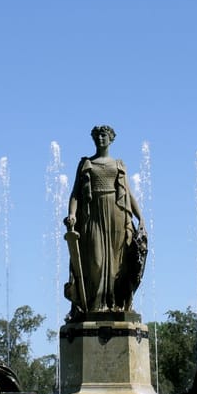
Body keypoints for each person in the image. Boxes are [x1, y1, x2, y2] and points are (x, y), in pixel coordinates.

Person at [63, 125, 146, 318]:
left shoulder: (118, 164)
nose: (101, 139)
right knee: (96, 261)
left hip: (117, 215)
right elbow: (75, 193)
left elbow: (129, 193)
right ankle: (94, 304)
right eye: (97, 136)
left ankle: (115, 304)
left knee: (118, 264)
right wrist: (72, 214)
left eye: (104, 135)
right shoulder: (86, 164)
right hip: (92, 216)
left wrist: (140, 217)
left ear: (111, 139)